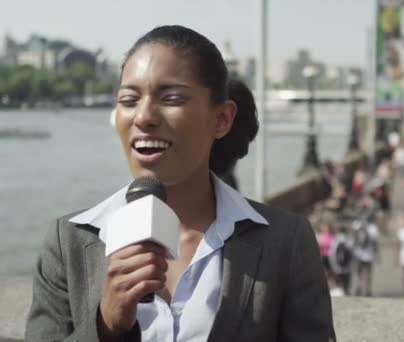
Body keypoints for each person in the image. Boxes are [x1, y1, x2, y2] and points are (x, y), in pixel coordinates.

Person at [25, 25, 335, 341]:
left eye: (171, 98)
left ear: (222, 119)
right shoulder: (69, 243)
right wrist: (104, 325)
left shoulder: (286, 241)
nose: (143, 117)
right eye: (129, 100)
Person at [352, 214, 379, 296]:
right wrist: (377, 254)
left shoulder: (356, 225)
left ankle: (358, 288)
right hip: (368, 254)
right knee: (368, 273)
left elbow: (354, 240)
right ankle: (367, 290)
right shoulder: (373, 228)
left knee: (358, 272)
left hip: (358, 253)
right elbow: (375, 243)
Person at [329, 226, 355, 296]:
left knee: (338, 284)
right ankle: (347, 294)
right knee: (346, 284)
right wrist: (351, 266)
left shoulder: (335, 240)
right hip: (347, 268)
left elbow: (332, 254)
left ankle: (340, 294)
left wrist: (333, 266)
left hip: (338, 268)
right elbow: (352, 254)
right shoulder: (349, 240)